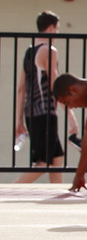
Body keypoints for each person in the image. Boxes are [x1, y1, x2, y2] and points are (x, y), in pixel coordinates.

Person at [14, 11, 78, 183]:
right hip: (45, 112)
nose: (57, 33)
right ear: (50, 28)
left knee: (56, 157)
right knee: (46, 162)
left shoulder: (29, 52)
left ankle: (57, 193)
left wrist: (19, 120)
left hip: (31, 112)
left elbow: (21, 89)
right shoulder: (49, 50)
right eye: (57, 29)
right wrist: (70, 114)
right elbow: (55, 85)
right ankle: (8, 191)